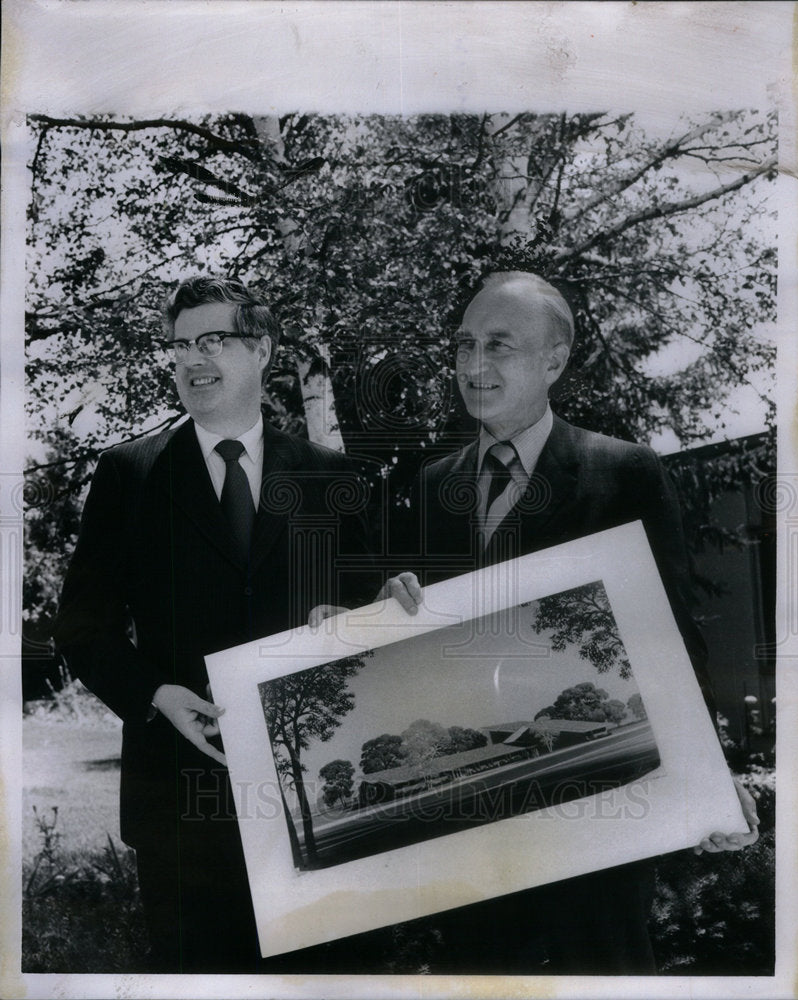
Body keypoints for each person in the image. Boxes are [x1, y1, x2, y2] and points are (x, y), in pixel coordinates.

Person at [389, 269, 760, 974]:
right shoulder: (432, 487)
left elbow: (671, 633)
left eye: (499, 346)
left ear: (554, 359)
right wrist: (395, 604)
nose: (473, 365)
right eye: (465, 345)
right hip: (476, 817)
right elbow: (425, 637)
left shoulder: (622, 471)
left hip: (601, 802)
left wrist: (708, 773)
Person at [52, 276, 388, 972]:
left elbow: (368, 616)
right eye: (179, 346)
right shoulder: (129, 475)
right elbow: (83, 629)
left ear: (262, 349)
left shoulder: (333, 478)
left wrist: (370, 615)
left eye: (213, 341)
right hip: (181, 812)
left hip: (320, 803)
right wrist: (155, 696)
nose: (191, 361)